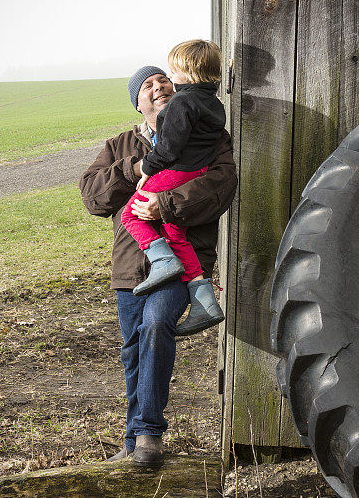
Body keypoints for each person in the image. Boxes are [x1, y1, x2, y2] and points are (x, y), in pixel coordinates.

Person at [79, 65, 237, 467]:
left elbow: (221, 188)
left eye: (164, 79)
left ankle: (149, 433)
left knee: (155, 326)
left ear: (179, 86)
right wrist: (135, 169)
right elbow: (93, 197)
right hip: (132, 263)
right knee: (132, 349)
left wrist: (163, 203)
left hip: (183, 260)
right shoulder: (120, 145)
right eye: (147, 85)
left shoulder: (209, 136)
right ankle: (135, 442)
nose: (158, 86)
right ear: (137, 101)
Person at [120, 40, 226, 336]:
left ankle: (163, 261)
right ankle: (204, 301)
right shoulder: (212, 103)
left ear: (185, 72)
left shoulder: (183, 102)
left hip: (177, 171)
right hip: (197, 170)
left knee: (130, 215)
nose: (168, 77)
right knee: (175, 231)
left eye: (170, 71)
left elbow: (170, 147)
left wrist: (148, 168)